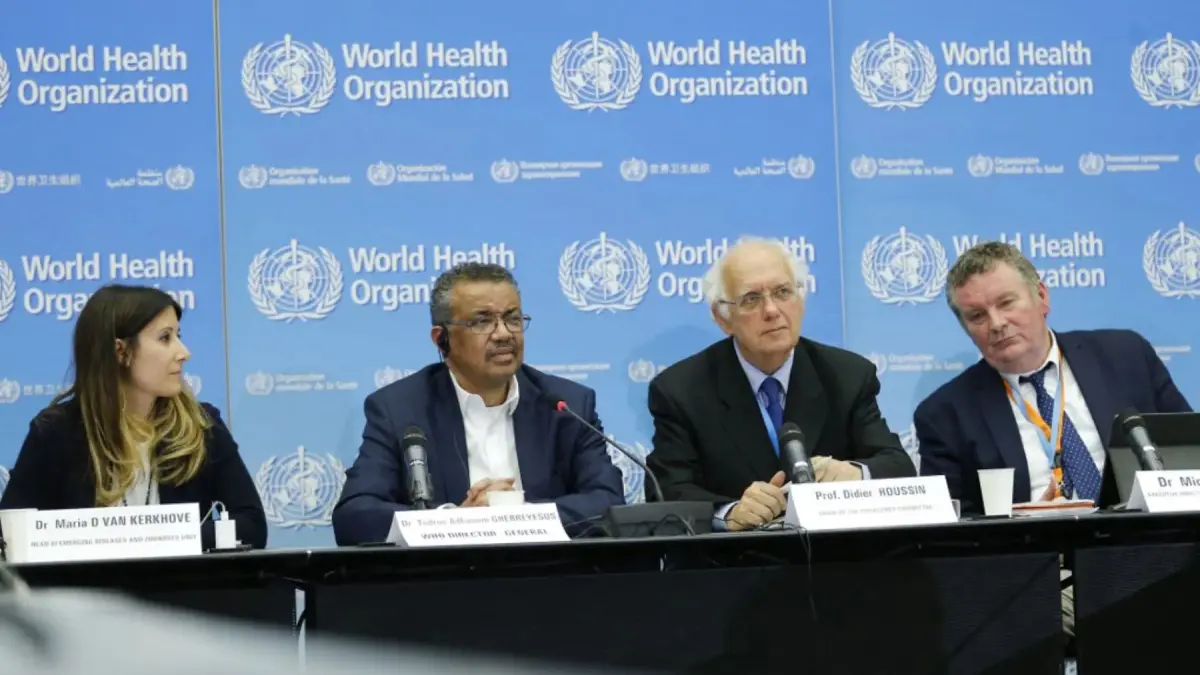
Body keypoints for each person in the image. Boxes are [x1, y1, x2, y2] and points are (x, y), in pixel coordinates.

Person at [332, 262, 624, 545]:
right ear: (442, 340)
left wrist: (518, 518)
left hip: (548, 572)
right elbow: (355, 517)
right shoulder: (400, 409)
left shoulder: (566, 405)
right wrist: (456, 522)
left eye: (512, 318)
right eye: (482, 321)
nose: (504, 334)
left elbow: (608, 502)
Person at [646, 237, 915, 532]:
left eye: (783, 292)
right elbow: (667, 490)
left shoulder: (846, 375)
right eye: (751, 299)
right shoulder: (682, 390)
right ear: (723, 318)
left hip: (833, 552)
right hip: (735, 556)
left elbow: (899, 466)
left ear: (800, 300)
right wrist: (729, 512)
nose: (772, 310)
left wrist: (853, 474)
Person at [915, 241, 1192, 514]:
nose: (997, 323)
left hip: (1142, 535)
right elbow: (951, 525)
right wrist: (1026, 521)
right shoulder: (945, 414)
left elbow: (1190, 452)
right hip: (1030, 542)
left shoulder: (1126, 356)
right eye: (977, 316)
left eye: (1006, 303)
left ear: (1041, 296)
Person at [0, 285, 267, 550]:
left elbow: (252, 525)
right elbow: (11, 536)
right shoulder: (56, 432)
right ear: (121, 352)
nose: (184, 353)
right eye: (165, 338)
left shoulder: (201, 424)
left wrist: (160, 537)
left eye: (178, 336)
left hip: (180, 579)